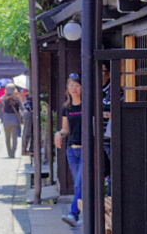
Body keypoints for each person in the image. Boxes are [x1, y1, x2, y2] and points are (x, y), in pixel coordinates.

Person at [55, 73, 83, 227]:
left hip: (86, 148)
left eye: (77, 85)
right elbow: (65, 129)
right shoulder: (66, 107)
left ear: (81, 88)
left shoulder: (87, 104)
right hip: (71, 151)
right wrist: (58, 133)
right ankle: (85, 212)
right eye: (71, 85)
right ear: (67, 88)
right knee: (80, 185)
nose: (74, 88)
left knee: (79, 185)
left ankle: (73, 214)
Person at [0, 83, 23, 158]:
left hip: (6, 119)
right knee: (14, 137)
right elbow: (22, 108)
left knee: (7, 137)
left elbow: (1, 99)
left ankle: (9, 152)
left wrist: (7, 94)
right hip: (15, 120)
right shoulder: (17, 99)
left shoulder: (4, 99)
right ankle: (13, 153)